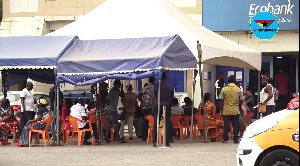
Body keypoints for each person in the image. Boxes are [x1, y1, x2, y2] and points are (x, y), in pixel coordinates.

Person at [219, 75, 244, 144]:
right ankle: (236, 138)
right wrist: (238, 105)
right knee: (235, 124)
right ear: (234, 81)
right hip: (235, 110)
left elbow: (221, 100)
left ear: (228, 80)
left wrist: (221, 109)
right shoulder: (238, 89)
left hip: (226, 110)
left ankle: (225, 138)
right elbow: (242, 99)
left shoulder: (224, 89)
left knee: (226, 124)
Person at [153, 72, 174, 147]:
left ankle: (155, 141)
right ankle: (167, 141)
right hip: (167, 105)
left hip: (159, 104)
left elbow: (154, 96)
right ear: (166, 77)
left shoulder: (156, 86)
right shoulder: (171, 86)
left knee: (156, 122)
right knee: (167, 123)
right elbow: (172, 97)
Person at [138, 77, 155, 141]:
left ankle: (144, 136)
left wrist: (142, 101)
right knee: (153, 121)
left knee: (146, 121)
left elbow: (139, 95)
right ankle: (153, 135)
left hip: (145, 107)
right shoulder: (154, 88)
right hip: (152, 107)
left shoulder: (144, 88)